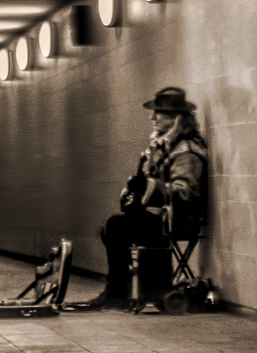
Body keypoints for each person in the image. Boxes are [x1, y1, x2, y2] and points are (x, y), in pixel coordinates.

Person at [78, 87, 207, 308]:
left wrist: (151, 186)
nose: (152, 117)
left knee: (116, 226)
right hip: (161, 217)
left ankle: (117, 293)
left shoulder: (186, 151)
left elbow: (187, 193)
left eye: (159, 113)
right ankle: (124, 289)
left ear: (176, 118)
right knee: (112, 226)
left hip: (180, 221)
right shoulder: (162, 146)